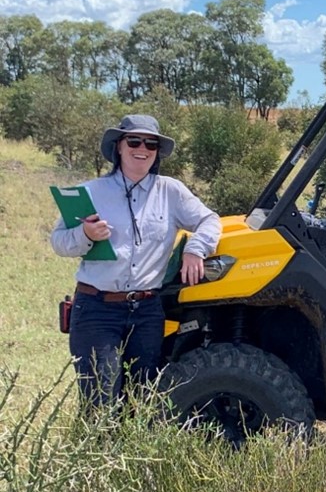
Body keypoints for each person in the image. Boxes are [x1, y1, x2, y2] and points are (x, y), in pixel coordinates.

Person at [51, 114, 221, 406]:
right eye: (134, 141)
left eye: (151, 143)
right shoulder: (91, 192)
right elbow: (59, 242)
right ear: (119, 146)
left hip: (146, 311)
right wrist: (86, 233)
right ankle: (98, 451)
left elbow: (209, 220)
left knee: (141, 400)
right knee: (100, 400)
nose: (142, 148)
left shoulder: (171, 191)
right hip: (96, 309)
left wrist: (196, 249)